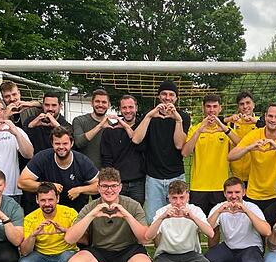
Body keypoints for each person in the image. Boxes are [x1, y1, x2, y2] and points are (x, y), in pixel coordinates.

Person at [64, 167, 152, 262]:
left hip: (127, 250)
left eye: (113, 186)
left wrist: (126, 215)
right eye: (105, 186)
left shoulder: (132, 205)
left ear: (120, 187)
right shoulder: (91, 207)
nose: (109, 190)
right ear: (98, 188)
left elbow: (144, 239)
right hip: (99, 251)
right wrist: (92, 215)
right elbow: (69, 239)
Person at [143, 181, 214, 262]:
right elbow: (148, 236)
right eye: (174, 198)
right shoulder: (162, 212)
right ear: (168, 197)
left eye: (182, 197)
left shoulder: (195, 211)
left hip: (190, 253)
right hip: (166, 254)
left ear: (188, 196)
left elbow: (210, 234)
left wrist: (193, 218)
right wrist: (162, 218)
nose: (178, 202)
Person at [227, 103, 276, 212]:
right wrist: (249, 148)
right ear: (265, 117)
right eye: (270, 116)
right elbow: (231, 156)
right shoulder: (254, 134)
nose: (273, 119)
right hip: (254, 194)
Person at [131, 80, 191, 223]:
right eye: (164, 94)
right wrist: (149, 116)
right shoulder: (149, 116)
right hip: (153, 177)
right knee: (154, 218)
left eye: (171, 94)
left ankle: (177, 245)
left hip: (176, 174)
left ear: (176, 98)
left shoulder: (183, 117)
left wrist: (177, 120)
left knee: (179, 217)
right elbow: (136, 140)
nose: (167, 97)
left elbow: (179, 145)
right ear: (159, 97)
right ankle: (160, 246)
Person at [206, 177, 271, 262]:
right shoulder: (219, 208)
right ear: (224, 193)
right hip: (229, 247)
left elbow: (267, 231)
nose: (233, 196)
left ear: (244, 192)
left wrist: (246, 211)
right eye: (230, 192)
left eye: (237, 192)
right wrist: (219, 212)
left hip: (251, 248)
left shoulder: (252, 207)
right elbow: (207, 231)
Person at [181, 94, 240, 215]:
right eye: (208, 106)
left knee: (217, 225)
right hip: (198, 186)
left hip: (220, 186)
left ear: (220, 108)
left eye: (215, 106)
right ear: (203, 108)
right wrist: (199, 131)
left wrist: (223, 127)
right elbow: (185, 153)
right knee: (196, 224)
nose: (211, 110)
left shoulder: (226, 130)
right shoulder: (195, 129)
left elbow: (240, 144)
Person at [17, 182, 79, 262]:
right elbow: (25, 252)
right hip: (41, 255)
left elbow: (83, 238)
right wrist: (33, 235)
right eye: (43, 200)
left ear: (58, 198)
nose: (47, 204)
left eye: (50, 200)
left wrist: (65, 230)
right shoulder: (30, 218)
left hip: (65, 253)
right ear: (37, 200)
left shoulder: (70, 213)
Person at [18, 126, 99, 212]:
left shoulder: (82, 161)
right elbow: (21, 183)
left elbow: (99, 185)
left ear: (71, 143)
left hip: (75, 212)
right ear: (52, 143)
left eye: (65, 143)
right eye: (57, 144)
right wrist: (48, 186)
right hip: (46, 211)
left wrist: (80, 190)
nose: (61, 147)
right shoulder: (42, 158)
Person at [101, 94, 145, 204]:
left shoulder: (143, 128)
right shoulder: (111, 130)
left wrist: (126, 127)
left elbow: (142, 147)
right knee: (116, 216)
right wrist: (110, 182)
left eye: (131, 107)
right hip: (118, 183)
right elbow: (106, 158)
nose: (128, 110)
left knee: (135, 217)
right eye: (124, 108)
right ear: (120, 109)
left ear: (136, 108)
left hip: (138, 182)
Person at [72, 88, 111, 168]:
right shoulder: (79, 120)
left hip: (103, 173)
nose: (100, 105)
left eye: (104, 102)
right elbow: (79, 143)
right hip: (82, 170)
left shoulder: (111, 126)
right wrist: (99, 126)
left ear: (108, 105)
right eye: (97, 101)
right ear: (91, 103)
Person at [226, 91, 259, 183]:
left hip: (255, 175)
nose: (245, 106)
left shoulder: (260, 123)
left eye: (248, 103)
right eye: (242, 104)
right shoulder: (231, 123)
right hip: (235, 176)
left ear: (253, 105)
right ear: (238, 107)